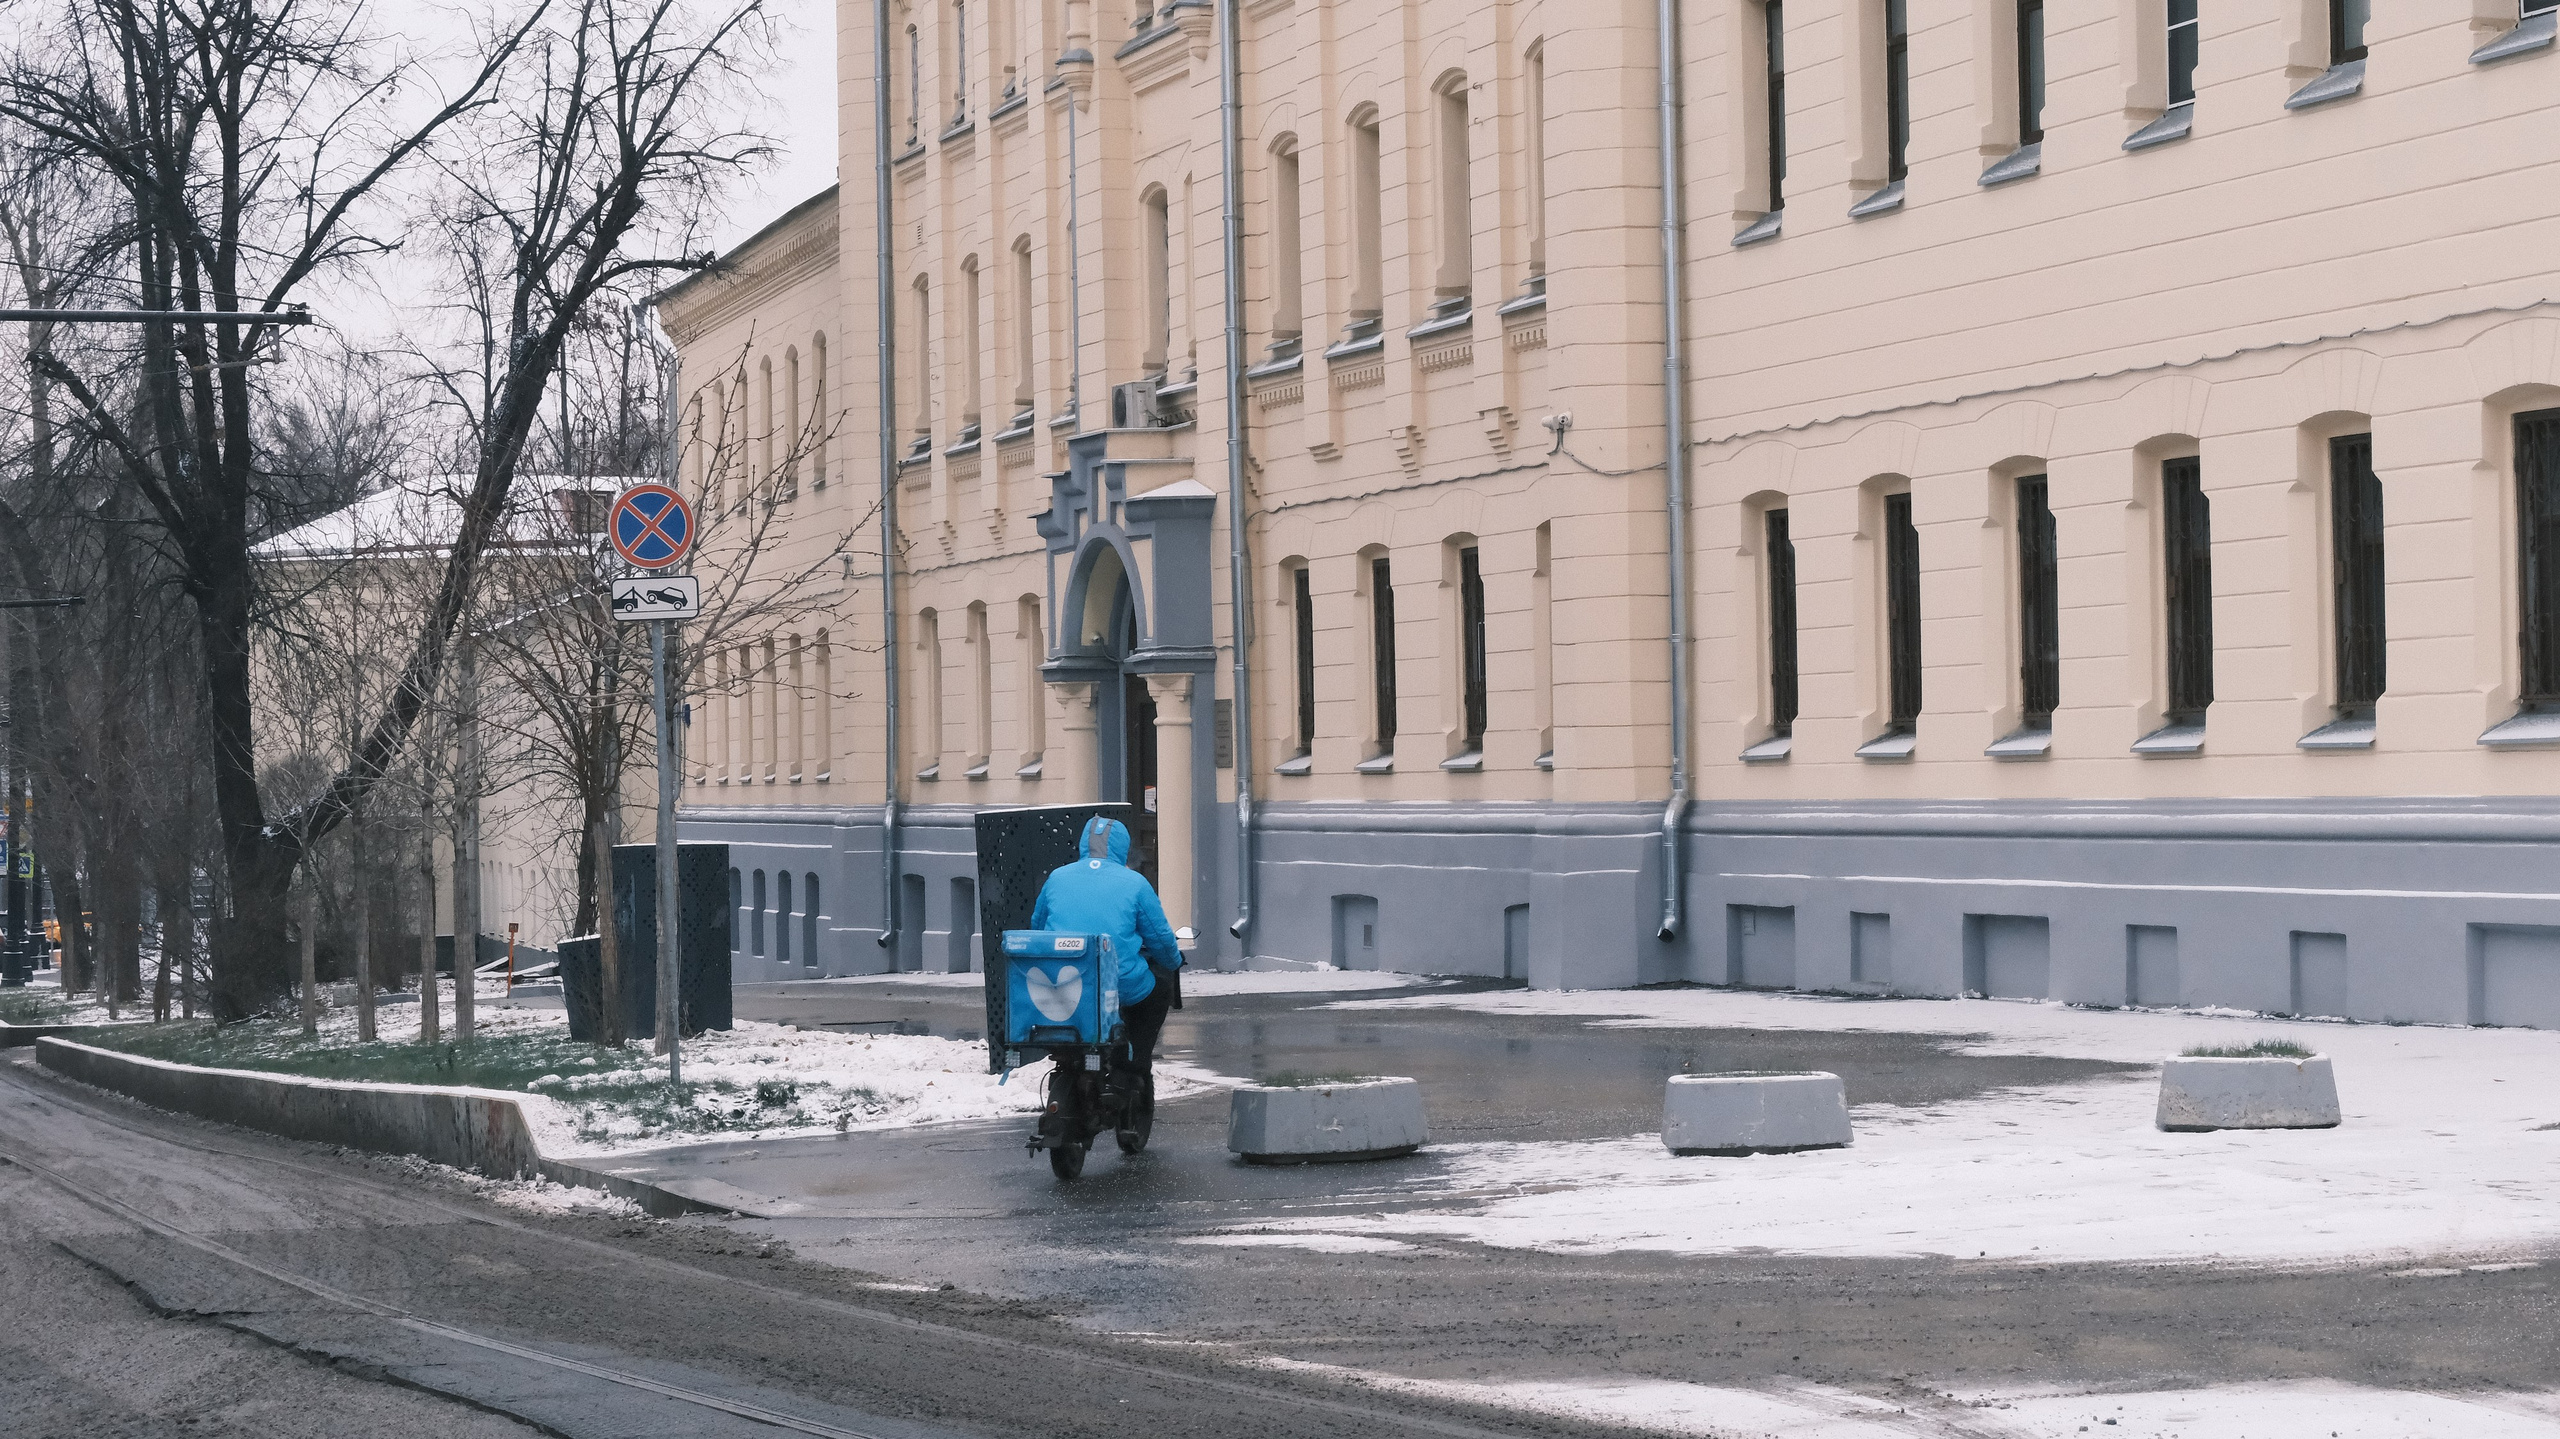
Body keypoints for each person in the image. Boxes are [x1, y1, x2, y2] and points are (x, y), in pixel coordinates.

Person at [1028, 816, 1183, 1103]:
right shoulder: (1135, 883)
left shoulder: (1057, 878)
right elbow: (1160, 938)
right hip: (1118, 985)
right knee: (1157, 992)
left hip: (1064, 983)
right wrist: (1173, 962)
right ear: (1122, 847)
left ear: (1083, 843)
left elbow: (1037, 930)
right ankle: (1130, 1067)